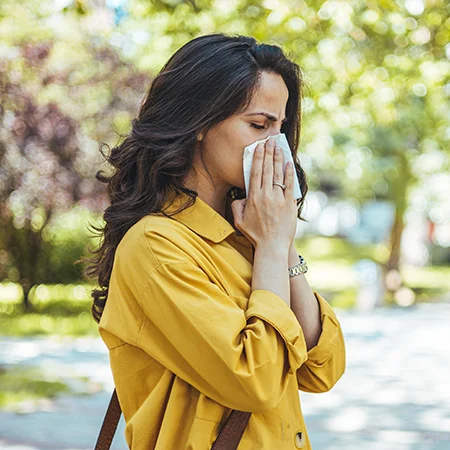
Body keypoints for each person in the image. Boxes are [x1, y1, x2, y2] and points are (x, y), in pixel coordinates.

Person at [86, 32, 346, 449]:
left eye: (280, 127)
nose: (275, 145)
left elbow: (322, 369)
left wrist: (281, 242)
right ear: (200, 123)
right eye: (259, 125)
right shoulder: (157, 245)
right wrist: (273, 247)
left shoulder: (247, 235)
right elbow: (256, 381)